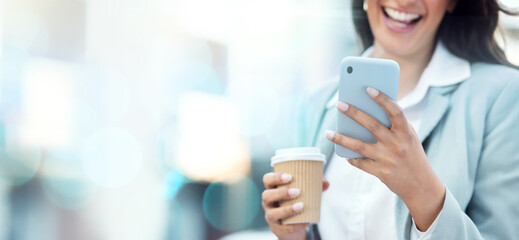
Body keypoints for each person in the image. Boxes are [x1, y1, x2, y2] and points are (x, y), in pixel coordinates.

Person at [261, 0, 519, 239]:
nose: (405, 1)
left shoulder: (501, 96)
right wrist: (294, 235)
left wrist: (422, 191)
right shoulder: (316, 104)